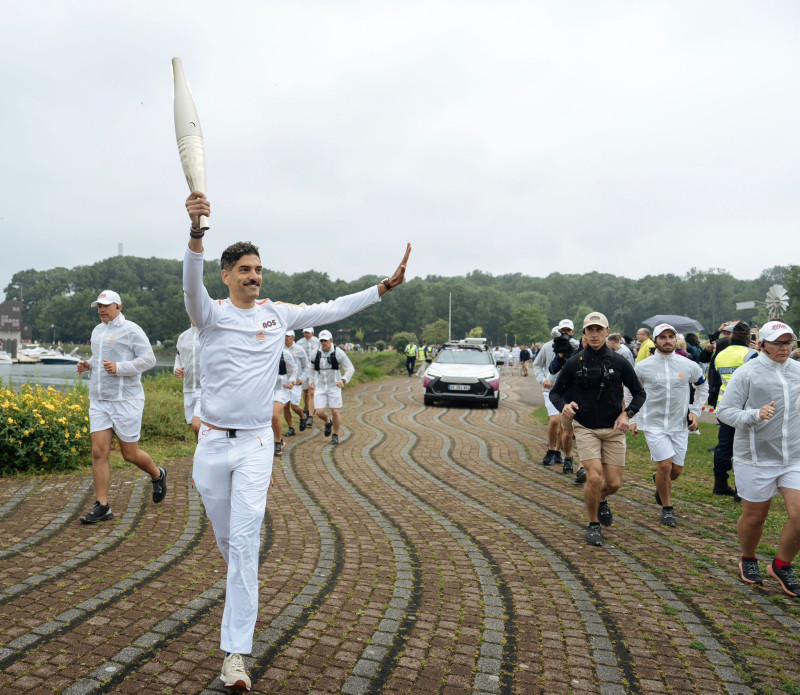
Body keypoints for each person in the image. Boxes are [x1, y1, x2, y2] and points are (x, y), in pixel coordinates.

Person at [183, 191, 411, 691]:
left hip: (256, 446)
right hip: (212, 445)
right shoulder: (211, 315)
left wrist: (381, 289)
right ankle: (241, 585)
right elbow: (190, 287)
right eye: (244, 269)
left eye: (258, 269)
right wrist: (197, 232)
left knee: (244, 545)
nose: (253, 276)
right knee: (229, 544)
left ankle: (235, 656)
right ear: (226, 275)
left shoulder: (277, 314)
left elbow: (330, 309)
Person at [717, 320, 800, 597]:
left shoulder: (798, 371)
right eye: (778, 342)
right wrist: (755, 415)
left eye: (788, 342)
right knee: (755, 517)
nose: (784, 347)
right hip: (755, 457)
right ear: (762, 344)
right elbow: (725, 412)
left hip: (794, 458)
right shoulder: (747, 373)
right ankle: (748, 558)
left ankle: (781, 565)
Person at [549, 312, 646, 547]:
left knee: (612, 484)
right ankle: (593, 524)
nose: (594, 334)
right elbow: (555, 392)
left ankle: (601, 499)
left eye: (599, 330)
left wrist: (627, 414)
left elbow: (639, 393)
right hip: (586, 427)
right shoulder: (574, 362)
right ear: (584, 333)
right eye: (590, 330)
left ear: (606, 332)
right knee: (593, 477)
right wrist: (565, 406)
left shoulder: (620, 361)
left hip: (613, 428)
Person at [76, 290, 167, 524]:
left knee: (130, 454)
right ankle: (102, 506)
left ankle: (157, 474)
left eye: (106, 305)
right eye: (99, 306)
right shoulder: (97, 331)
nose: (101, 310)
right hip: (99, 399)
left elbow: (149, 359)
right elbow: (99, 359)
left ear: (119, 307)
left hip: (126, 400)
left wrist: (120, 367)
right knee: (98, 452)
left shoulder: (131, 330)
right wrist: (89, 364)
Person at [631, 323, 708, 526]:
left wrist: (695, 411)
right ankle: (667, 508)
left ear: (676, 340)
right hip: (653, 423)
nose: (667, 341)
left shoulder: (688, 365)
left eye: (670, 337)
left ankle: (659, 480)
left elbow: (702, 386)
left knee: (675, 471)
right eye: (662, 337)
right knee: (665, 465)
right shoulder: (643, 367)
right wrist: (632, 419)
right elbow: (630, 391)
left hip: (679, 424)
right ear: (655, 341)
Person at [712, 321, 758, 497]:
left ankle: (720, 484)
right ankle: (741, 490)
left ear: (731, 336)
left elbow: (717, 380)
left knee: (724, 446)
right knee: (746, 448)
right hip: (746, 407)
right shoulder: (751, 354)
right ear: (748, 337)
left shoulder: (720, 355)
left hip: (725, 407)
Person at [313, 329, 355, 445]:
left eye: (326, 341)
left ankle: (335, 435)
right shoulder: (315, 353)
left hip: (334, 386)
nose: (323, 343)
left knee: (335, 411)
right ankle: (327, 421)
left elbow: (350, 368)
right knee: (319, 412)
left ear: (331, 340)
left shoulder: (339, 353)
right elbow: (310, 368)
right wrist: (312, 380)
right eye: (321, 341)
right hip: (320, 387)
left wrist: (343, 379)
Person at [533, 327, 566, 468]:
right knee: (554, 420)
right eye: (562, 330)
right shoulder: (547, 347)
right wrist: (542, 379)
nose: (563, 334)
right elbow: (537, 365)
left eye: (567, 331)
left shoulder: (574, 346)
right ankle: (550, 450)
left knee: (564, 423)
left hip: (568, 390)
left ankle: (558, 451)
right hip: (551, 390)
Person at [174, 321, 202, 441]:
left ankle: (206, 455)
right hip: (189, 387)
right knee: (195, 428)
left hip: (206, 388)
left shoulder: (210, 333)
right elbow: (178, 358)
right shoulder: (183, 337)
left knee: (197, 426)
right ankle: (201, 454)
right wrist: (177, 369)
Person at [271, 341, 298, 457]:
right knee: (264, 418)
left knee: (274, 415)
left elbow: (293, 370)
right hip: (266, 389)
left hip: (281, 389)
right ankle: (280, 440)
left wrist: (291, 381)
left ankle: (277, 443)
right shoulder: (261, 352)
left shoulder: (285, 354)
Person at [283, 331, 310, 437]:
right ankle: (291, 428)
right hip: (284, 382)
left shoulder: (299, 349)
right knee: (285, 406)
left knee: (294, 407)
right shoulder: (280, 349)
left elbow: (307, 367)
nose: (286, 338)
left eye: (288, 336)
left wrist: (302, 378)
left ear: (293, 337)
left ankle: (302, 416)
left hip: (296, 383)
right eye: (284, 336)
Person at [297, 328, 320, 426]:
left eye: (308, 333)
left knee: (312, 391)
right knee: (305, 392)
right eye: (305, 333)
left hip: (314, 370)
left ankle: (310, 414)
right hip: (304, 370)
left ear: (313, 333)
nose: (306, 334)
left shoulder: (318, 341)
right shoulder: (299, 343)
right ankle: (307, 408)